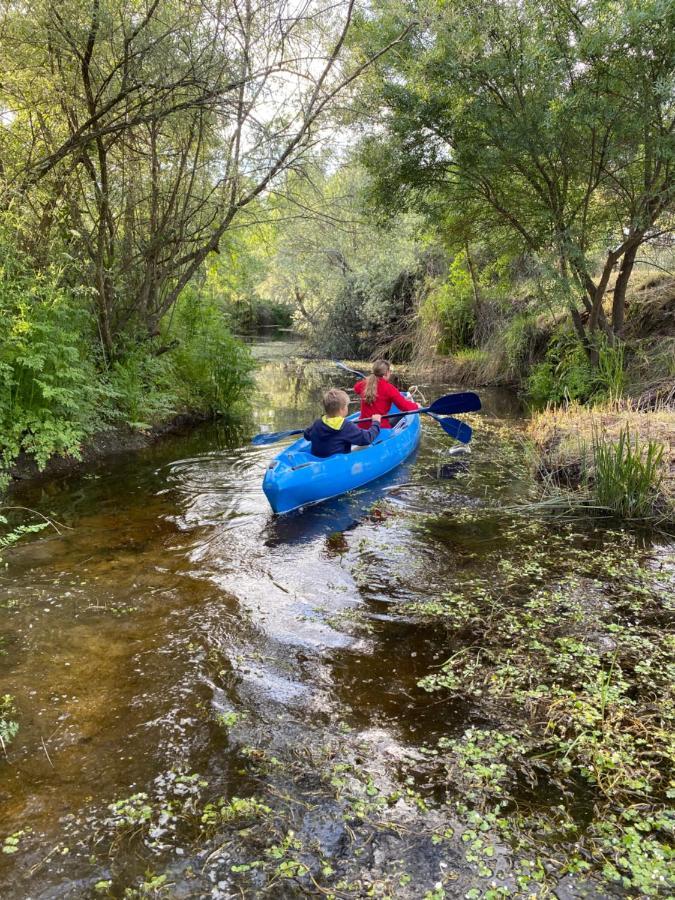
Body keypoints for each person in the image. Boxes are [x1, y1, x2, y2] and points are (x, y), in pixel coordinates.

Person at [304, 389, 382, 458]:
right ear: (342, 409)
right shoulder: (346, 426)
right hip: (338, 462)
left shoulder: (318, 423)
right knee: (366, 445)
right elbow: (367, 438)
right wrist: (376, 422)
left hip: (318, 459)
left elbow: (307, 435)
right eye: (347, 406)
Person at [354, 360, 419, 429]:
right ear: (387, 373)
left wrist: (368, 380)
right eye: (390, 371)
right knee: (401, 417)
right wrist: (416, 406)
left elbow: (356, 388)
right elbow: (404, 407)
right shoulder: (390, 389)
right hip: (380, 427)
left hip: (362, 426)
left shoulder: (364, 384)